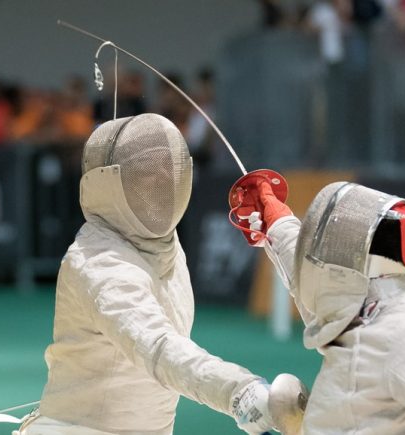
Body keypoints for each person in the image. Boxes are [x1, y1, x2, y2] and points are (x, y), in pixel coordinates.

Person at [21, 114, 301, 435]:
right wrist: (237, 391)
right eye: (147, 174)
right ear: (109, 184)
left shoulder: (165, 247)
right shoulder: (98, 262)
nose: (163, 181)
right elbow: (157, 347)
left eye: (171, 170)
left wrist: (280, 230)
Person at [240, 178, 405, 434]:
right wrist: (276, 221)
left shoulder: (399, 333)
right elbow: (314, 284)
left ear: (361, 257)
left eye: (337, 244)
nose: (325, 252)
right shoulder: (363, 306)